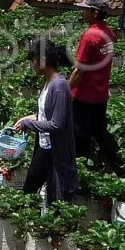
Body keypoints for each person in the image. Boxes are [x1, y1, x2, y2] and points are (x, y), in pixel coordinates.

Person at [13, 37, 78, 202]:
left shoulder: (60, 86)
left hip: (56, 152)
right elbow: (45, 115)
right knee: (29, 190)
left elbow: (56, 124)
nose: (32, 64)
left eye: (33, 60)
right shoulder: (48, 83)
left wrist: (29, 123)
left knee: (56, 199)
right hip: (44, 148)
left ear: (43, 61)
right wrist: (26, 119)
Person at [68, 0, 125, 175]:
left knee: (79, 136)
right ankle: (119, 166)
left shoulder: (90, 36)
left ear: (94, 13)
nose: (82, 12)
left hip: (84, 95)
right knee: (100, 133)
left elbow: (79, 70)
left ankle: (81, 172)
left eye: (85, 9)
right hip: (100, 94)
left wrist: (65, 89)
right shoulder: (108, 32)